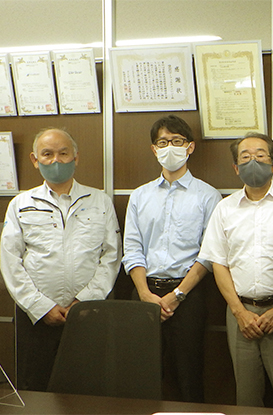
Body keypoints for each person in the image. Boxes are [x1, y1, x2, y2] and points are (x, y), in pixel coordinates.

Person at [1, 128, 122, 391]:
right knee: (35, 391)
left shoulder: (99, 201)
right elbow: (10, 261)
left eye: (63, 153)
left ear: (76, 157)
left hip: (88, 315)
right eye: (47, 154)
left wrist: (85, 300)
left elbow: (111, 257)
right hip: (35, 317)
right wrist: (40, 306)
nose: (56, 160)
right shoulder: (20, 204)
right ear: (35, 160)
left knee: (87, 391)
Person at [199, 133, 273, 409]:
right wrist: (239, 312)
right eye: (245, 157)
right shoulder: (225, 208)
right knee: (246, 398)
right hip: (240, 313)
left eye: (260, 156)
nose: (253, 162)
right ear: (236, 168)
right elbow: (218, 263)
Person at [122, 115, 222, 402]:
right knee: (142, 375)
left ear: (190, 147)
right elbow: (132, 248)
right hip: (145, 293)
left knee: (189, 375)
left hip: (188, 295)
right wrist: (145, 294)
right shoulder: (140, 196)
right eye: (163, 142)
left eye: (177, 141)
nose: (170, 148)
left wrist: (177, 295)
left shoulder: (208, 196)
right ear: (154, 149)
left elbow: (208, 253)